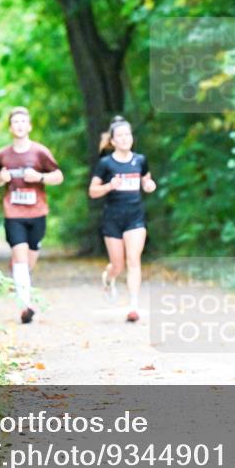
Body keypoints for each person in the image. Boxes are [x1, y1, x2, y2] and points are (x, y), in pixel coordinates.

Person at [0, 107, 64, 324]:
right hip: (13, 213)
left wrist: (39, 177)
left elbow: (59, 176)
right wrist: (1, 178)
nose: (20, 125)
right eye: (16, 122)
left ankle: (19, 276)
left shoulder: (40, 152)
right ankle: (26, 305)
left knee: (28, 260)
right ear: (10, 127)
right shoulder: (2, 155)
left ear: (30, 126)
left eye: (24, 121)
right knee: (21, 259)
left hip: (37, 212)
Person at [88, 116, 156, 323]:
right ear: (113, 141)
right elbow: (92, 191)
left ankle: (133, 305)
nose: (125, 139)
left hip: (135, 217)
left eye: (128, 134)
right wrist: (109, 186)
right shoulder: (106, 164)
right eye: (120, 136)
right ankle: (109, 279)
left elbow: (147, 179)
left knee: (133, 261)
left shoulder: (140, 160)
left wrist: (148, 185)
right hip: (113, 218)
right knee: (117, 265)